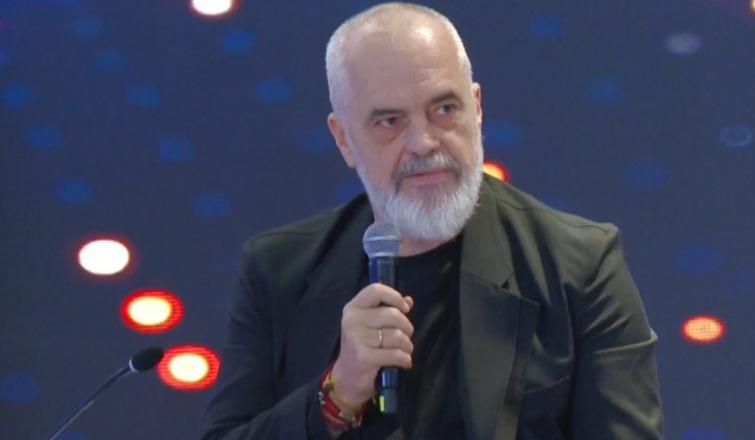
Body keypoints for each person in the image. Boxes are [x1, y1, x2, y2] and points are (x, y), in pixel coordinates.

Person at [201, 3, 663, 439]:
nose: (423, 142)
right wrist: (337, 393)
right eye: (390, 121)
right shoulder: (278, 270)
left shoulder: (579, 266)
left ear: (477, 109)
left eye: (444, 110)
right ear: (343, 139)